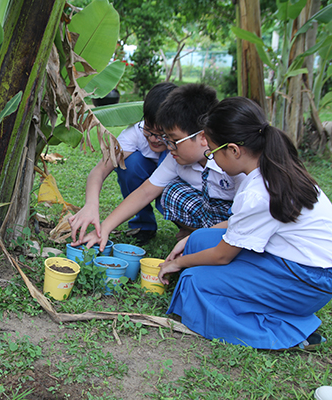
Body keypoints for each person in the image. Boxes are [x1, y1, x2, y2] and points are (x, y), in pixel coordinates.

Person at [158, 97, 332, 350]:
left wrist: (176, 263)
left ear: (234, 150)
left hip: (306, 280)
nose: (213, 160)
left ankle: (290, 332)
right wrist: (189, 239)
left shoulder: (258, 190)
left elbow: (221, 257)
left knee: (194, 282)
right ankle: (255, 302)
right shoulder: (275, 169)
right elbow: (236, 226)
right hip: (296, 264)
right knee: (198, 240)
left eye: (213, 152)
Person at [72, 83, 243, 250]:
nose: (167, 145)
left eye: (171, 139)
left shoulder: (234, 162)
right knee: (171, 192)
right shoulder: (174, 155)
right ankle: (191, 233)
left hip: (238, 219)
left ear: (203, 136)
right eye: (151, 132)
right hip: (211, 211)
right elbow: (144, 192)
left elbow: (248, 216)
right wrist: (104, 228)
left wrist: (198, 238)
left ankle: (204, 237)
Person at [68, 82, 177, 246]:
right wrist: (91, 205)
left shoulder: (183, 145)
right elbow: (99, 171)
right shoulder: (135, 133)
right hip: (149, 183)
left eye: (162, 134)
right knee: (130, 163)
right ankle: (143, 225)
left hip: (173, 187)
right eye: (149, 130)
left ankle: (189, 230)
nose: (154, 139)